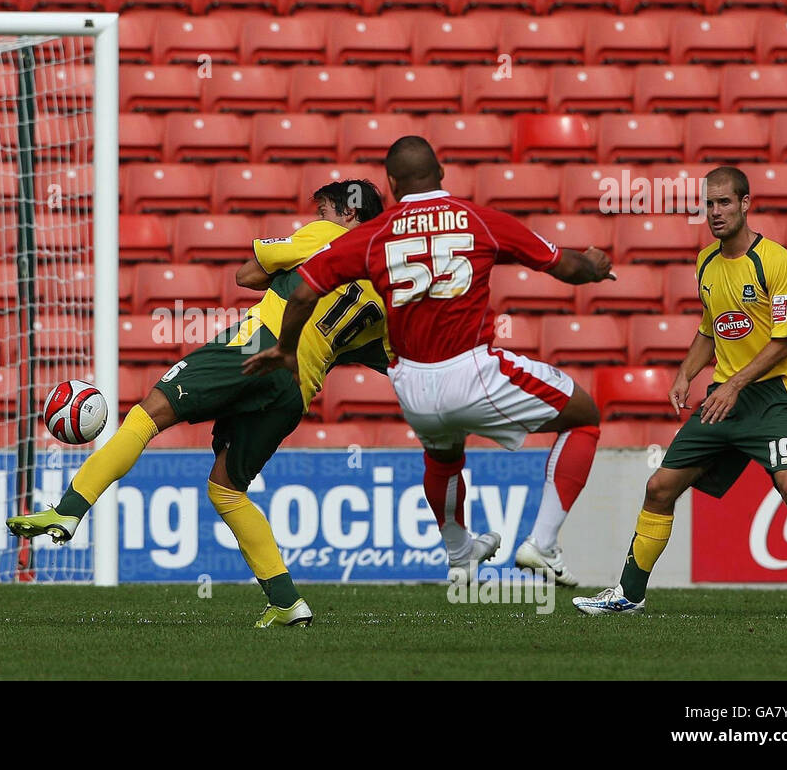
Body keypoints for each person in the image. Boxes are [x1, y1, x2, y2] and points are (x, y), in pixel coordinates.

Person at [8, 180, 395, 627]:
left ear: (349, 214)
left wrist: (288, 272)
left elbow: (246, 274)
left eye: (326, 209)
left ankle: (69, 510)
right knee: (227, 488)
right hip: (297, 390)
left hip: (257, 348)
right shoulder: (386, 292)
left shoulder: (331, 237)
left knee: (150, 411)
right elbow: (391, 360)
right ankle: (287, 601)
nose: (321, 216)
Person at [244, 136, 615, 586]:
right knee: (584, 417)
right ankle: (543, 542)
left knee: (443, 460)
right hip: (473, 370)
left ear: (393, 184)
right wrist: (593, 266)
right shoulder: (477, 218)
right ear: (440, 174)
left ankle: (460, 558)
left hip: (413, 387)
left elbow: (303, 292)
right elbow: (564, 267)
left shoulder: (373, 234)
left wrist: (285, 348)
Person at [574, 167, 787, 618]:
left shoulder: (775, 262)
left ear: (745, 204)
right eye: (709, 204)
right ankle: (629, 594)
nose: (715, 212)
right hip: (724, 400)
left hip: (773, 399)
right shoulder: (706, 263)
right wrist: (685, 374)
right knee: (660, 487)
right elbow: (711, 327)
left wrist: (736, 384)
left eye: (724, 202)